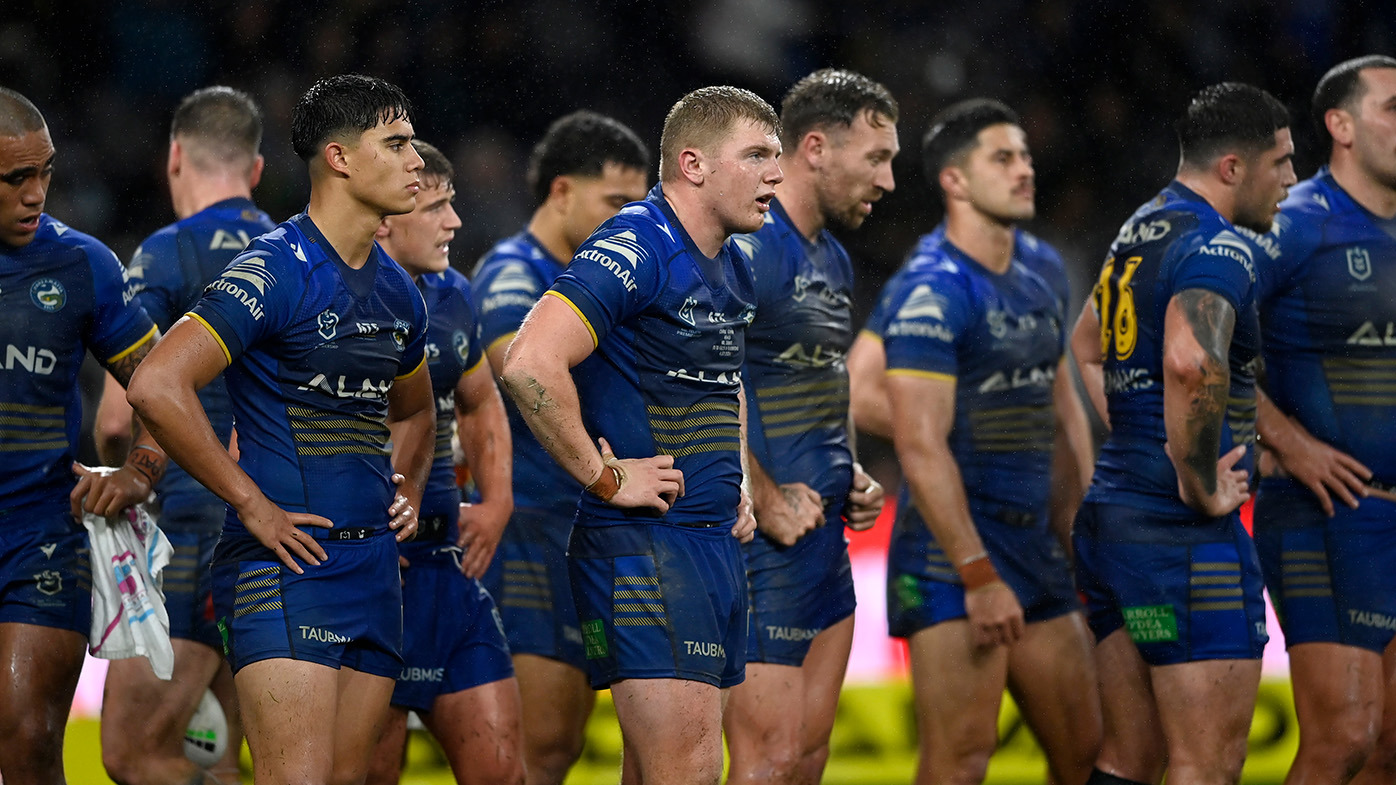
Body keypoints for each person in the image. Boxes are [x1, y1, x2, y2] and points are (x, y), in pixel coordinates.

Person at [127, 74, 436, 785]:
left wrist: (409, 488)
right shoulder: (272, 269)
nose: (417, 160)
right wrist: (250, 502)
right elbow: (154, 384)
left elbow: (416, 410)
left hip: (374, 572)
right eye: (396, 143)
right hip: (287, 566)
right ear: (338, 158)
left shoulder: (398, 292)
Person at [498, 85, 774, 785]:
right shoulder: (635, 243)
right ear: (693, 164)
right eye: (756, 155)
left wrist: (737, 474)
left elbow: (723, 379)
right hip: (647, 547)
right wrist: (604, 474)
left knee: (657, 771)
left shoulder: (734, 262)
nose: (776, 173)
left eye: (776, 155)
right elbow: (529, 362)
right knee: (687, 772)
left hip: (706, 543)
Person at [1069, 82, 1296, 785]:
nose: (1292, 180)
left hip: (1113, 522)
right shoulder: (1220, 246)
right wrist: (1197, 481)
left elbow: (1085, 345)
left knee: (1129, 758)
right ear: (1233, 167)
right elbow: (1190, 361)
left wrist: (1140, 436)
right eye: (1282, 162)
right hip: (1182, 540)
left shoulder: (1140, 229)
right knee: (1209, 760)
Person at [874, 98, 1100, 785]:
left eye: (1026, 155)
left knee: (1087, 753)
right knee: (961, 759)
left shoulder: (1043, 269)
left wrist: (1085, 531)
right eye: (1003, 158)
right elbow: (918, 442)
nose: (1025, 169)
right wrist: (977, 573)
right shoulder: (931, 288)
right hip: (949, 560)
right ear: (955, 180)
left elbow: (1063, 408)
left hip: (1033, 549)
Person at [93, 85, 274, 785]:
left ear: (175, 156)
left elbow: (116, 415)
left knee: (134, 751)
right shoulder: (299, 251)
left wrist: (128, 481)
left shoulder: (167, 255)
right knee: (222, 758)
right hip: (282, 531)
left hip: (194, 532)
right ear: (256, 171)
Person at [722, 68, 894, 785]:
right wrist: (762, 492)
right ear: (816, 147)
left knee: (808, 759)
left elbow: (824, 378)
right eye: (877, 158)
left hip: (826, 544)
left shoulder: (835, 257)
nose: (887, 181)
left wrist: (847, 466)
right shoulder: (751, 245)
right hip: (763, 547)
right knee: (767, 759)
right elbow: (708, 376)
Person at [472, 110, 649, 785]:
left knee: (565, 743)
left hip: (589, 527)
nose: (631, 219)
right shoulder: (513, 273)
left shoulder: (607, 278)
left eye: (640, 203)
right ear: (561, 192)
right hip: (529, 530)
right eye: (616, 203)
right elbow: (518, 367)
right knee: (537, 746)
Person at [0, 86, 164, 785]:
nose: (37, 194)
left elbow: (160, 385)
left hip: (39, 530)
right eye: (16, 179)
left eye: (46, 174)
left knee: (26, 734)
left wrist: (141, 470)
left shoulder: (83, 265)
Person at [1242, 55, 1396, 785]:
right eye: (1393, 108)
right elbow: (1194, 337)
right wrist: (1287, 441)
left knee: (1389, 745)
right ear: (1340, 125)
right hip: (1326, 511)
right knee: (1345, 736)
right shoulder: (1295, 223)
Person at [363, 139, 524, 785]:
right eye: (433, 207)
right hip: (374, 582)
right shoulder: (344, 300)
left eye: (451, 204)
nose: (453, 222)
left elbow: (482, 403)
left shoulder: (455, 296)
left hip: (445, 569)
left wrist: (497, 501)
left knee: (504, 773)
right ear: (383, 219)